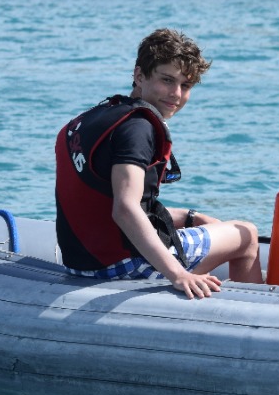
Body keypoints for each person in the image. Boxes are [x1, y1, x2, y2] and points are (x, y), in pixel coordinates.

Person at [56, 29, 262, 299]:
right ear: (139, 75)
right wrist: (178, 274)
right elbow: (125, 209)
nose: (176, 94)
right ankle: (252, 313)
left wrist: (189, 217)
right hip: (123, 266)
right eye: (167, 80)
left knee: (209, 227)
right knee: (246, 234)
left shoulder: (94, 118)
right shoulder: (138, 129)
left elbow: (105, 203)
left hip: (81, 263)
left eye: (185, 86)